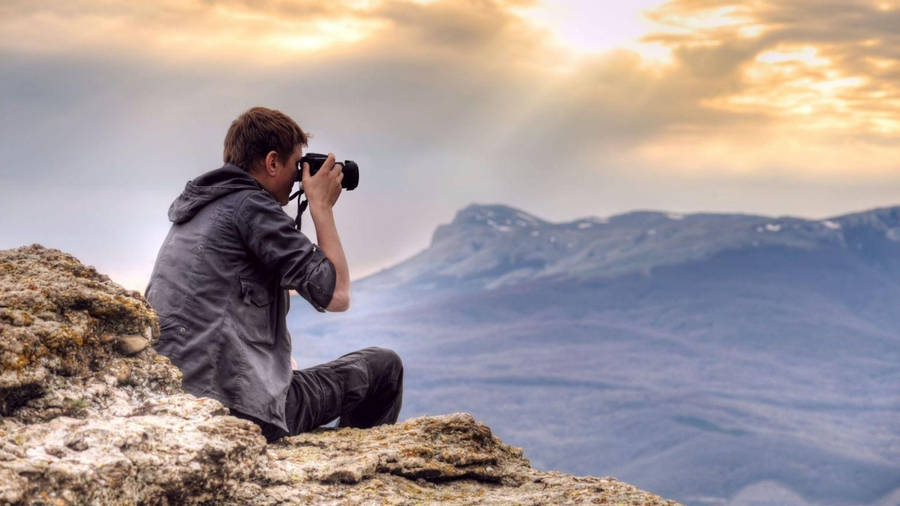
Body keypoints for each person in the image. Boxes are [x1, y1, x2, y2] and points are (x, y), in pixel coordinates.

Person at [145, 106, 403, 442]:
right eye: (297, 164)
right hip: (235, 408)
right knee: (384, 367)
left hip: (180, 397)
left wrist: (276, 366)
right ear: (271, 163)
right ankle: (351, 470)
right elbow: (338, 294)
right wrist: (321, 207)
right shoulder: (251, 208)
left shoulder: (199, 210)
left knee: (296, 377)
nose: (300, 175)